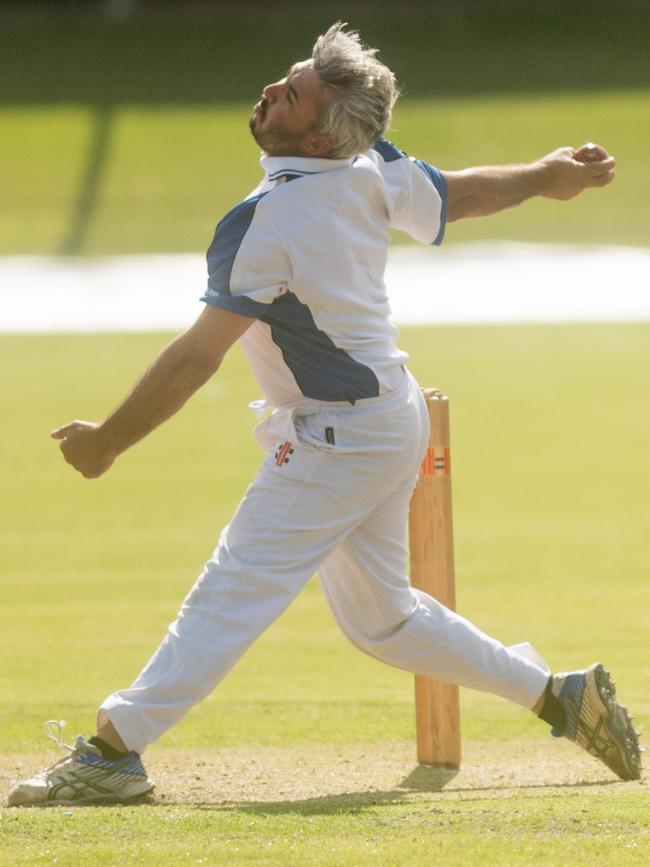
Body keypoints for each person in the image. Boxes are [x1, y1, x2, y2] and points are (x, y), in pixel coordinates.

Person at [8, 23, 641, 807]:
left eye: (294, 93)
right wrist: (546, 175)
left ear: (317, 135)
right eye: (287, 78)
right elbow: (456, 195)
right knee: (386, 621)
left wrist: (108, 441)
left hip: (338, 436)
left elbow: (196, 356)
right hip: (386, 419)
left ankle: (113, 748)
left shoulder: (266, 217)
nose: (274, 90)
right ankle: (562, 695)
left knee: (233, 587)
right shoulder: (368, 162)